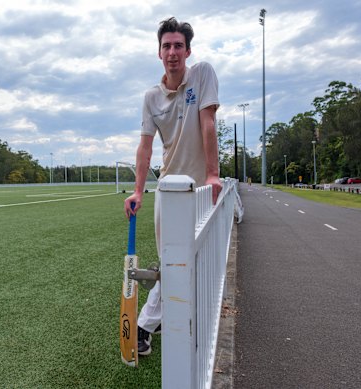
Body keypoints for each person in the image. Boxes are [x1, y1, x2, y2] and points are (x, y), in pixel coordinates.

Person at [123, 16, 222, 356]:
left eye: (179, 46)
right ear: (159, 53)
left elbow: (208, 123)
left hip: (199, 189)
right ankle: (150, 324)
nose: (173, 52)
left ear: (188, 51)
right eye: (167, 46)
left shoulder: (202, 74)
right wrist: (138, 191)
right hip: (168, 190)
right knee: (172, 263)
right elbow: (146, 146)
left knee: (187, 262)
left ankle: (149, 324)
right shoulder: (151, 97)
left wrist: (212, 175)